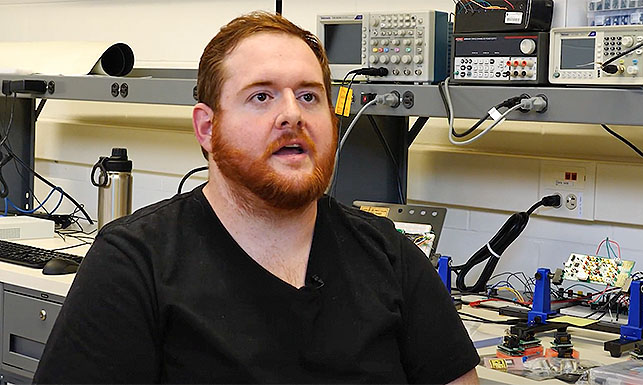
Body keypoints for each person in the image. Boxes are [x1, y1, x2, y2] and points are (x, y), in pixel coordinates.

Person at [33, 11, 480, 384]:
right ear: (207, 128)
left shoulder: (389, 255)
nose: (292, 114)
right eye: (261, 96)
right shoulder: (133, 263)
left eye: (309, 96)